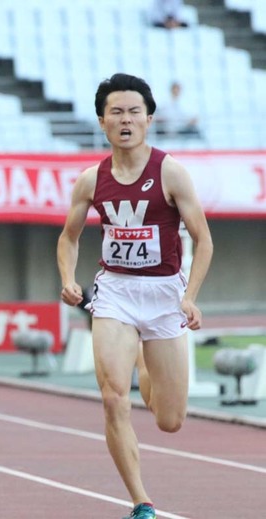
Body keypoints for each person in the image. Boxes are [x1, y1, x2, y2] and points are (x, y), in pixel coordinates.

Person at [56, 73, 213, 519]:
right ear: (102, 122)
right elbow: (68, 238)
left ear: (149, 119)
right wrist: (68, 276)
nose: (125, 120)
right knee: (111, 398)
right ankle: (141, 502)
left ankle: (145, 362)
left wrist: (190, 296)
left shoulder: (171, 172)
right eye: (116, 112)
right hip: (116, 293)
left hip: (165, 296)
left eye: (134, 112)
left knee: (170, 420)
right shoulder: (91, 180)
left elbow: (204, 241)